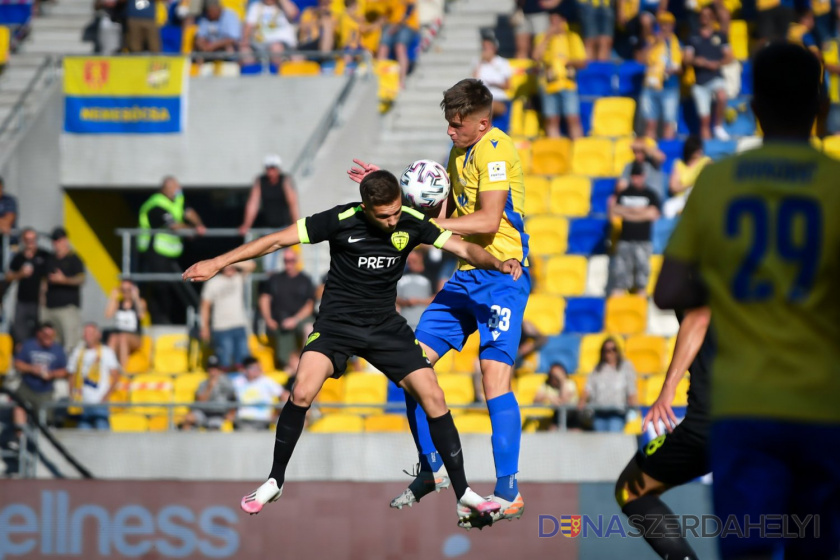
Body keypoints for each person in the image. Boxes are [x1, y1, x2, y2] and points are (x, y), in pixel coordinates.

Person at [183, 168, 520, 521]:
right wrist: (218, 262)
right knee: (301, 392)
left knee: (433, 395)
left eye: (395, 212)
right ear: (365, 208)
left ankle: (463, 491)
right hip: (336, 325)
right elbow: (277, 241)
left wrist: (497, 262)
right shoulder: (339, 219)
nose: (392, 221)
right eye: (383, 215)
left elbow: (462, 246)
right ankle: (274, 480)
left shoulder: (411, 220)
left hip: (385, 326)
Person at [654, 43, 840, 559]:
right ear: (821, 108)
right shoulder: (835, 185)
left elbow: (667, 291)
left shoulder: (718, 181)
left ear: (753, 108)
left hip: (745, 408)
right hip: (822, 406)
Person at [349, 79, 530, 527]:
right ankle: (431, 468)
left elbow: (487, 218)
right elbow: (440, 210)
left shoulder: (495, 150)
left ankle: (509, 491)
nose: (450, 131)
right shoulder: (460, 151)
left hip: (501, 275)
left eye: (457, 124)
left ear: (481, 122)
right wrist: (389, 187)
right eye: (448, 123)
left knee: (494, 381)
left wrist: (427, 223)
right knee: (410, 368)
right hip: (465, 276)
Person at [615, 307, 712, 560]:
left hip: (714, 418)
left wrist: (668, 389)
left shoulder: (700, 270)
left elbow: (699, 317)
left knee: (630, 488)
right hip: (774, 414)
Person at [137, 176, 206, 325]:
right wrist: (192, 230)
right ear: (166, 189)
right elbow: (173, 225)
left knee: (176, 286)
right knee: (160, 287)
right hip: (154, 252)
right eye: (175, 188)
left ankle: (171, 317)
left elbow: (189, 212)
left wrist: (199, 225)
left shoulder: (177, 200)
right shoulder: (155, 204)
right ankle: (160, 319)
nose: (178, 191)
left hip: (172, 253)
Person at [239, 154, 300, 272]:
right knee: (269, 266)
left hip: (285, 227)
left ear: (278, 168)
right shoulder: (260, 181)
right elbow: (253, 203)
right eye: (268, 167)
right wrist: (246, 225)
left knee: (290, 260)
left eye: (273, 167)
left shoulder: (285, 180)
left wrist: (296, 224)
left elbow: (293, 203)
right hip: (268, 229)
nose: (270, 171)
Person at [608, 163, 661, 296]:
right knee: (620, 278)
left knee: (642, 277)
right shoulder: (624, 194)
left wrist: (628, 213)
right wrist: (641, 213)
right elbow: (614, 211)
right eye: (634, 175)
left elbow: (654, 214)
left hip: (643, 240)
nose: (637, 179)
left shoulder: (650, 194)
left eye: (639, 175)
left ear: (644, 176)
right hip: (625, 240)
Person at [532, 12, 587, 139]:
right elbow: (535, 57)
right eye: (552, 22)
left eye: (557, 21)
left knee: (573, 118)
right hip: (548, 85)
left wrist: (567, 61)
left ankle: (578, 149)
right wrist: (547, 37)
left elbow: (583, 62)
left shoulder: (572, 37)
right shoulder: (542, 38)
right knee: (552, 119)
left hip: (568, 84)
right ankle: (556, 149)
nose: (554, 25)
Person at [259, 249, 315, 371]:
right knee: (287, 364)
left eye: (291, 260)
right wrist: (268, 319)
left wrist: (295, 319)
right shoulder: (275, 279)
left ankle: (306, 360)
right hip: (281, 321)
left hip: (300, 318)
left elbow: (309, 305)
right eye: (286, 260)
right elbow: (264, 299)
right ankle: (291, 372)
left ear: (297, 261)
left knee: (309, 328)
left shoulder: (305, 280)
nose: (288, 263)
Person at [684, 6, 733, 141]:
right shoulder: (693, 37)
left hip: (715, 76)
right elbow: (687, 58)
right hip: (699, 81)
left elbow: (729, 57)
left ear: (713, 17)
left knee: (722, 95)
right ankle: (707, 148)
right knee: (704, 120)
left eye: (708, 15)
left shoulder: (720, 36)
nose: (705, 18)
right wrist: (696, 61)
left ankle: (718, 126)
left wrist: (717, 63)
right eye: (702, 15)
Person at [12, 323, 67, 430]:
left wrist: (52, 374)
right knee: (19, 408)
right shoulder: (28, 345)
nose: (49, 338)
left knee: (45, 420)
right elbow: (17, 363)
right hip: (27, 386)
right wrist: (31, 368)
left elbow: (65, 371)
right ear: (39, 334)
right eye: (46, 335)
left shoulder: (58, 349)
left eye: (51, 336)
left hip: (45, 389)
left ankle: (41, 439)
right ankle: (18, 439)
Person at [201, 261, 254, 369]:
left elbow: (252, 265)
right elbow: (205, 306)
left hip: (239, 325)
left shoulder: (238, 278)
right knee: (224, 363)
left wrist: (231, 261)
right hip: (221, 328)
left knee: (244, 363)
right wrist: (204, 327)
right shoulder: (213, 283)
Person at [67, 323, 120, 430]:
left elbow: (115, 377)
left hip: (99, 403)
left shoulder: (106, 352)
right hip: (82, 403)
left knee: (102, 434)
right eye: (85, 332)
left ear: (98, 335)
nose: (87, 335)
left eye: (91, 332)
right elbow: (71, 375)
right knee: (83, 437)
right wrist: (72, 395)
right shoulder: (77, 352)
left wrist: (105, 397)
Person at [577, 338, 638, 432]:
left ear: (617, 351)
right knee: (600, 442)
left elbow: (631, 388)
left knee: (613, 439)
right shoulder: (597, 368)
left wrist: (633, 406)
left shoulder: (625, 366)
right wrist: (582, 400)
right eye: (607, 350)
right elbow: (588, 387)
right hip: (599, 412)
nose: (610, 353)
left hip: (617, 413)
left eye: (613, 349)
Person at [639, 12, 682, 140]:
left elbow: (682, 67)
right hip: (651, 86)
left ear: (672, 26)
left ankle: (666, 154)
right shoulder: (651, 41)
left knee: (668, 124)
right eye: (662, 24)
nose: (664, 27)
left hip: (671, 86)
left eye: (667, 24)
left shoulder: (677, 43)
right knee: (650, 124)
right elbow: (641, 59)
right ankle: (649, 151)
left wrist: (674, 70)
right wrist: (654, 44)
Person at [44, 227, 86, 352]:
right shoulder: (50, 259)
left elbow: (81, 280)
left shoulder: (74, 259)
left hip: (68, 308)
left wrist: (64, 280)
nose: (57, 244)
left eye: (59, 240)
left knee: (70, 344)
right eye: (54, 241)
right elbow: (43, 283)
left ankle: (70, 371)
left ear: (66, 240)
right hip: (50, 307)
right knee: (53, 344)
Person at [6, 228, 49, 346]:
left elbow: (48, 277)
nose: (30, 242)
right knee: (20, 332)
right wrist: (20, 274)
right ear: (23, 241)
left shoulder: (44, 255)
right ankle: (22, 356)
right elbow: (8, 277)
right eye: (27, 240)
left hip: (38, 302)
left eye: (33, 239)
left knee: (39, 330)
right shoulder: (18, 257)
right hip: (22, 300)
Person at [181, 355, 238, 430]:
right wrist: (209, 387)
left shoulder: (226, 382)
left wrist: (231, 413)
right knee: (188, 418)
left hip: (219, 414)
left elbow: (233, 399)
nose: (212, 371)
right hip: (204, 412)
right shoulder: (203, 383)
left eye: (215, 368)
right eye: (210, 368)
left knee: (214, 427)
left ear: (219, 369)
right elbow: (200, 402)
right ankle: (184, 441)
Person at [232, 356, 286, 430]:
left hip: (262, 420)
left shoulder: (266, 381)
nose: (257, 370)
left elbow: (284, 396)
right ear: (244, 370)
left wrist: (275, 414)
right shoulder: (237, 382)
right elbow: (230, 397)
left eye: (258, 368)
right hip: (242, 420)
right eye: (254, 368)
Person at [663, 136, 711, 218]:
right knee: (668, 207)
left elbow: (707, 182)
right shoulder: (679, 164)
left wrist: (684, 186)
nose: (700, 151)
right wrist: (690, 185)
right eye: (697, 149)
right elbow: (673, 187)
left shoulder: (706, 162)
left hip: (697, 196)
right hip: (681, 198)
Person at [240, 0, 299, 68]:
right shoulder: (256, 6)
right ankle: (251, 75)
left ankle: (277, 75)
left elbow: (293, 14)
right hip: (260, 45)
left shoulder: (284, 6)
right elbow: (248, 26)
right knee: (244, 51)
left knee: (276, 47)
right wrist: (245, 41)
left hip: (283, 45)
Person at [104, 279, 147, 370]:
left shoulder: (140, 302)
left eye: (128, 290)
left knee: (123, 338)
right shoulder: (118, 303)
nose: (126, 293)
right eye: (123, 290)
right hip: (118, 336)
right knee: (113, 338)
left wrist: (136, 297)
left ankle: (123, 370)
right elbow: (108, 315)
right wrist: (113, 297)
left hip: (134, 337)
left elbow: (141, 315)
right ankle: (109, 369)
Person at [378, 0, 420, 88]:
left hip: (408, 24)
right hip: (392, 24)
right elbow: (385, 13)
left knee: (400, 47)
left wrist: (398, 25)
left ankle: (401, 81)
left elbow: (410, 7)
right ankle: (380, 78)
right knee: (383, 47)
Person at [473, 31, 512, 118]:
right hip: (483, 99)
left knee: (488, 106)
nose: (485, 50)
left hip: (499, 99)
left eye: (487, 48)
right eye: (483, 48)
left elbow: (508, 85)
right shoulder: (479, 63)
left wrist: (494, 84)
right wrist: (480, 62)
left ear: (494, 48)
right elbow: (474, 80)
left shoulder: (502, 63)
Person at [534, 362, 579, 430]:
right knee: (552, 430)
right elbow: (535, 400)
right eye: (552, 375)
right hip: (556, 416)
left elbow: (563, 400)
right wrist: (548, 397)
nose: (554, 378)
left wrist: (562, 380)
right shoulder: (546, 385)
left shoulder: (569, 383)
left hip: (571, 416)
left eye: (556, 376)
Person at [396, 249, 434, 330]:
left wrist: (418, 301)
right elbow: (394, 297)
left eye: (413, 260)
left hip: (423, 324)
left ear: (420, 257)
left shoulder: (431, 274)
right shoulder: (401, 275)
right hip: (405, 323)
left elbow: (437, 297)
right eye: (409, 261)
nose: (410, 262)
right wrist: (404, 302)